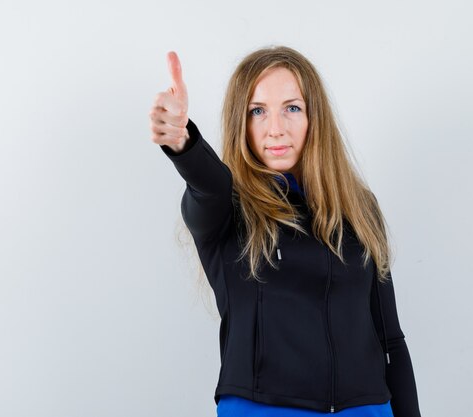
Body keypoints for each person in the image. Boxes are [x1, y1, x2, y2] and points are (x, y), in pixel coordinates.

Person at [150, 46, 422, 417]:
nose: (275, 128)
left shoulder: (359, 207)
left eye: (292, 108)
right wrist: (184, 143)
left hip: (367, 408)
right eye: (257, 111)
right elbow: (208, 186)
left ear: (314, 117)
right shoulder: (227, 208)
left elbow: (390, 338)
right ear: (240, 123)